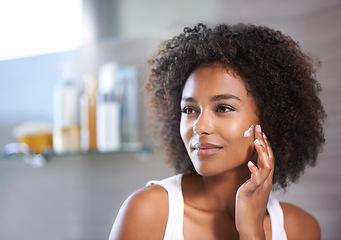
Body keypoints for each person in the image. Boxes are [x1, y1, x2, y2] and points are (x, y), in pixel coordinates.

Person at [109, 23, 326, 240]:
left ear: (270, 120)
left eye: (223, 108)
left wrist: (251, 231)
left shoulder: (300, 229)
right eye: (189, 110)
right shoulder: (148, 212)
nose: (200, 127)